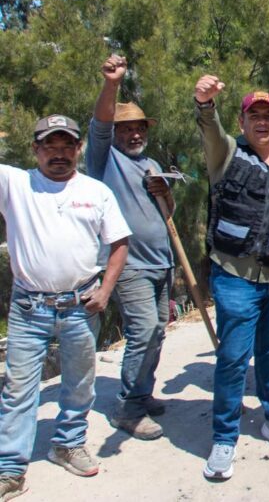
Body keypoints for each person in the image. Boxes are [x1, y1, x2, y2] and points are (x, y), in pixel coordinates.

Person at [193, 76, 269, 480]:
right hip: (235, 276)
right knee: (232, 359)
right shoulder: (227, 154)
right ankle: (224, 436)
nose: (262, 122)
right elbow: (210, 129)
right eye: (254, 116)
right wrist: (205, 103)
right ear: (242, 121)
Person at [0, 115, 131, 499]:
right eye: (50, 146)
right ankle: (10, 467)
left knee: (79, 384)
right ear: (35, 150)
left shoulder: (96, 191)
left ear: (78, 149)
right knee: (18, 389)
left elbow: (120, 243)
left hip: (80, 305)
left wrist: (106, 290)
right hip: (29, 308)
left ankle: (68, 444)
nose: (59, 154)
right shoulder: (14, 183)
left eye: (66, 146)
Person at [84, 55, 176, 441]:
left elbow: (167, 214)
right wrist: (112, 83)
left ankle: (142, 392)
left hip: (162, 263)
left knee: (157, 332)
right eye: (126, 129)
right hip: (129, 265)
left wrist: (165, 192)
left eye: (139, 128)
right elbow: (100, 126)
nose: (134, 134)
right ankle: (128, 408)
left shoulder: (151, 163)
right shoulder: (105, 160)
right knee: (143, 330)